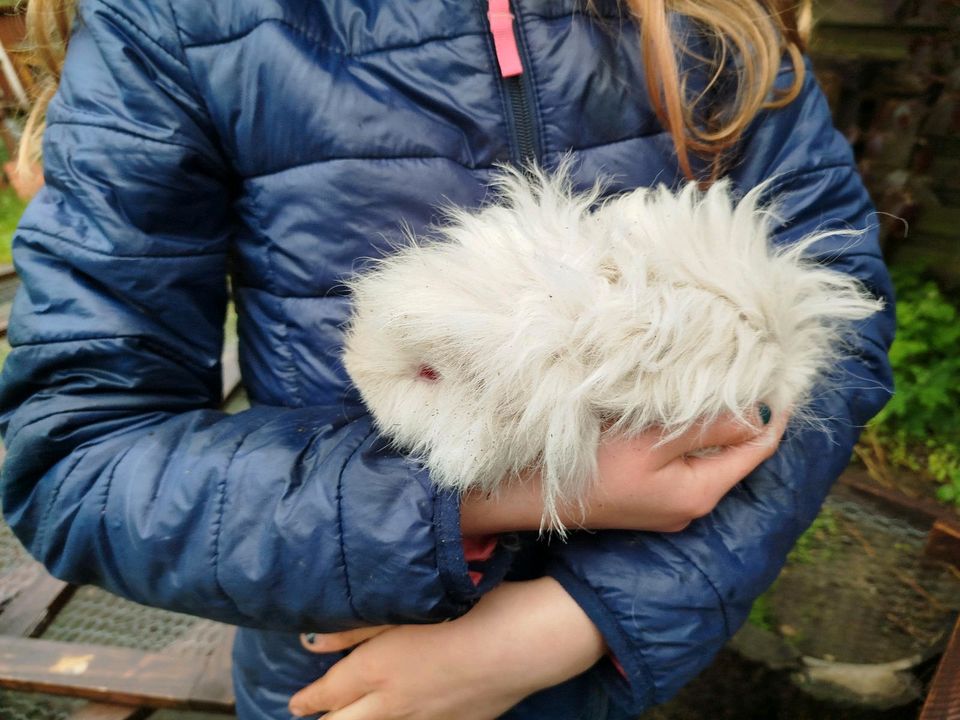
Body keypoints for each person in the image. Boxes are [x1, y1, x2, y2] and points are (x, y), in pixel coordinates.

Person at [0, 1, 894, 719]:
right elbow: (76, 457)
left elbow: (836, 323)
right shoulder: (172, 22)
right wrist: (494, 495)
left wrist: (584, 617)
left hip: (607, 669)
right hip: (350, 668)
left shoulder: (716, 24)